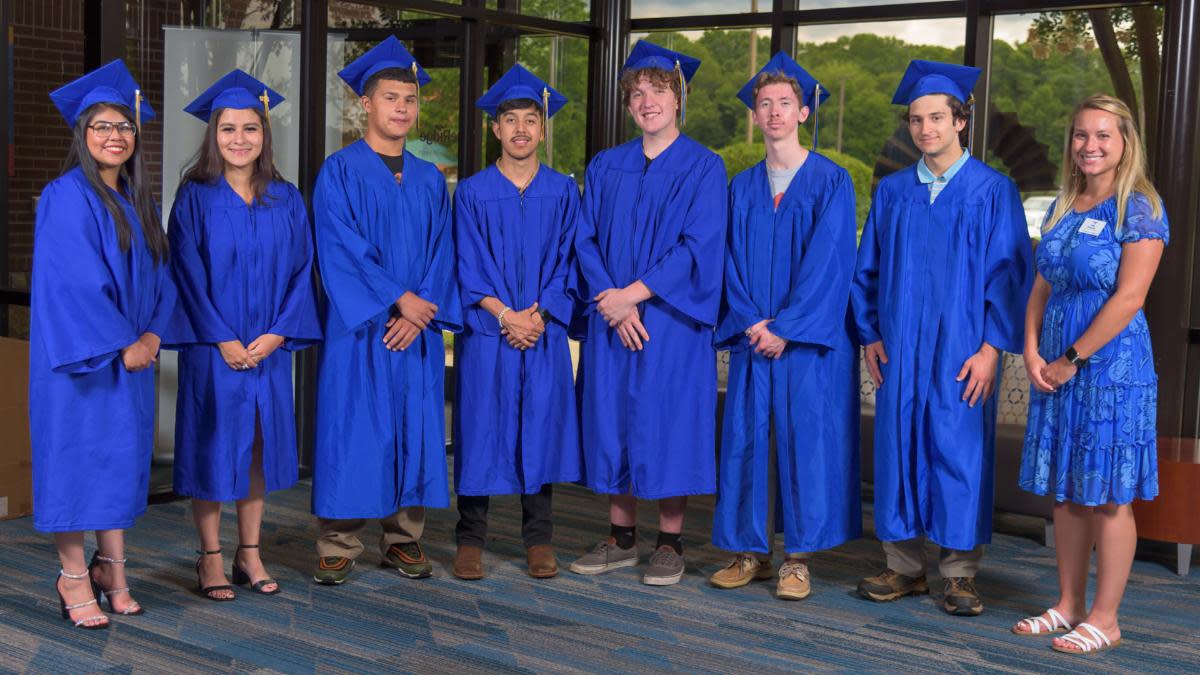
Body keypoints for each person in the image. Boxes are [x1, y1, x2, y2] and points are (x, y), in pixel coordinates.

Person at [850, 60, 1033, 616]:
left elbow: (1009, 275)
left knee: (959, 448)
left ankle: (958, 574)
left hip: (963, 350)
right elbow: (869, 270)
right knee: (899, 443)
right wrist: (871, 334)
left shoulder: (992, 191)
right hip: (901, 345)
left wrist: (989, 349)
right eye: (916, 119)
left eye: (936, 117)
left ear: (960, 122)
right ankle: (903, 567)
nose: (925, 129)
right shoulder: (894, 192)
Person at [1012, 94, 1167, 655]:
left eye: (1103, 135)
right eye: (1081, 135)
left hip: (1110, 369)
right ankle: (1068, 604)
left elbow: (1129, 299)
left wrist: (1070, 359)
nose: (1090, 145)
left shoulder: (1141, 208)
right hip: (1054, 365)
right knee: (1067, 491)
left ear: (1125, 142)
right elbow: (1042, 284)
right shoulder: (1063, 203)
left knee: (1107, 495)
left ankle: (1106, 618)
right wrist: (1030, 351)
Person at [568, 40, 727, 586]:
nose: (647, 101)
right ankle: (620, 537)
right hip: (613, 315)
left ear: (679, 98)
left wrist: (632, 294)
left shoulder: (705, 167)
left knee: (669, 423)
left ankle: (670, 543)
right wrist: (611, 301)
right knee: (612, 418)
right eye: (637, 93)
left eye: (658, 90)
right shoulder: (606, 164)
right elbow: (583, 239)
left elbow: (698, 246)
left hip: (671, 321)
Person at [310, 36, 462, 585]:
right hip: (362, 329)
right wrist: (398, 300)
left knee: (414, 426)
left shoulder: (428, 177)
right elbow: (339, 247)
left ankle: (403, 539)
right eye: (391, 97)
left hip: (413, 330)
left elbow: (445, 250)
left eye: (410, 99)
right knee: (354, 425)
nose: (402, 108)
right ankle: (338, 541)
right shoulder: (340, 171)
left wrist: (419, 310)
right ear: (365, 105)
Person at [709, 52, 860, 601]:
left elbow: (832, 264)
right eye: (765, 104)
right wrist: (752, 320)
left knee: (803, 440)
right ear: (755, 115)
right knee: (747, 437)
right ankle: (750, 551)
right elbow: (724, 259)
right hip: (756, 337)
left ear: (802, 113)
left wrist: (786, 327)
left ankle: (797, 559)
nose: (774, 113)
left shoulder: (831, 181)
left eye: (784, 104)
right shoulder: (740, 186)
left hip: (805, 343)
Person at [166, 69, 321, 600]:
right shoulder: (194, 197)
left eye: (249, 128)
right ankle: (210, 556)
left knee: (257, 446)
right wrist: (220, 338)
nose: (239, 139)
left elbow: (305, 271)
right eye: (228, 129)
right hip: (216, 350)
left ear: (264, 134)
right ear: (214, 136)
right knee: (212, 446)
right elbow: (184, 273)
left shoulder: (287, 198)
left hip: (268, 351)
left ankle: (248, 553)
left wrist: (279, 334)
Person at [32, 59, 176, 627]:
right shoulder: (65, 196)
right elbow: (73, 283)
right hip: (83, 363)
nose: (115, 137)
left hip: (130, 358)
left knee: (117, 464)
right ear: (83, 135)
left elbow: (166, 277)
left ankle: (112, 568)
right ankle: (72, 578)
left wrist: (153, 334)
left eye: (124, 128)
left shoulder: (137, 202)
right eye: (102, 127)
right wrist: (126, 344)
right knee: (76, 464)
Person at [450, 65, 581, 581]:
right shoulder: (472, 193)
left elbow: (573, 261)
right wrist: (506, 314)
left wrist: (539, 313)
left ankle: (539, 539)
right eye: (511, 119)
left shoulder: (565, 192)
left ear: (542, 130)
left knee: (540, 427)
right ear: (495, 128)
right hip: (491, 332)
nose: (522, 129)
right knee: (480, 427)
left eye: (531, 119)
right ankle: (470, 540)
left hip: (541, 330)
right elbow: (466, 262)